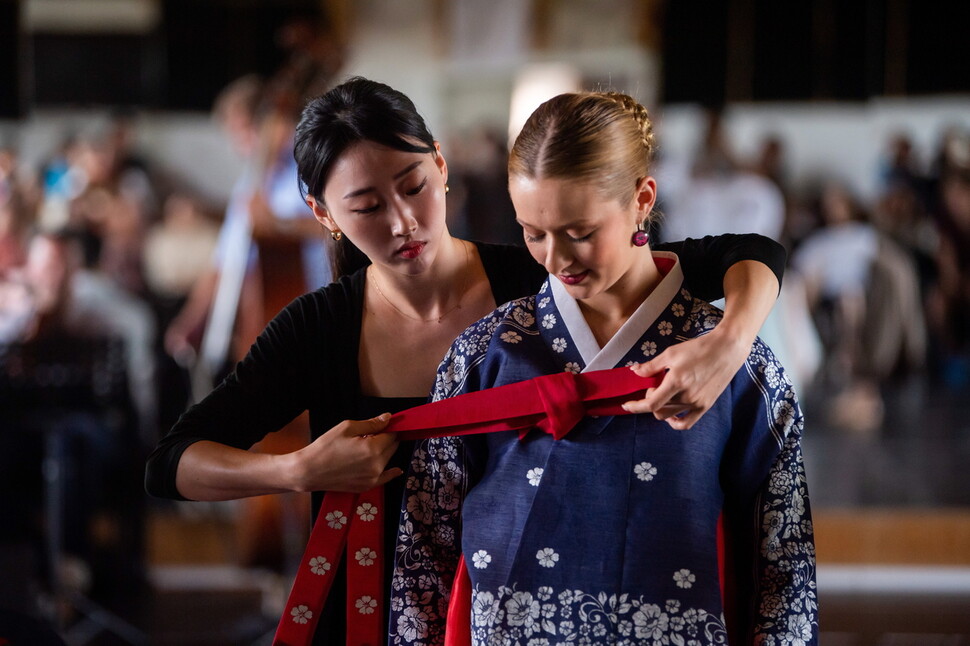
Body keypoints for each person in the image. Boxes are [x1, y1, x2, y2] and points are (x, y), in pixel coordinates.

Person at [145, 78, 788, 644]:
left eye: (414, 186)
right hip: (370, 603)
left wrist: (728, 346)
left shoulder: (540, 279)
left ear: (442, 166)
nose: (402, 222)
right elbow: (172, 463)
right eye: (367, 207)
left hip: (514, 606)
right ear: (322, 213)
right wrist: (297, 469)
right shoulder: (320, 327)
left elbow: (742, 251)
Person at [391, 91, 817, 644]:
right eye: (533, 233)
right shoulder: (486, 353)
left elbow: (785, 568)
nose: (556, 259)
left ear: (642, 199)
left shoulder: (736, 366)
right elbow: (424, 550)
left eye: (580, 233)